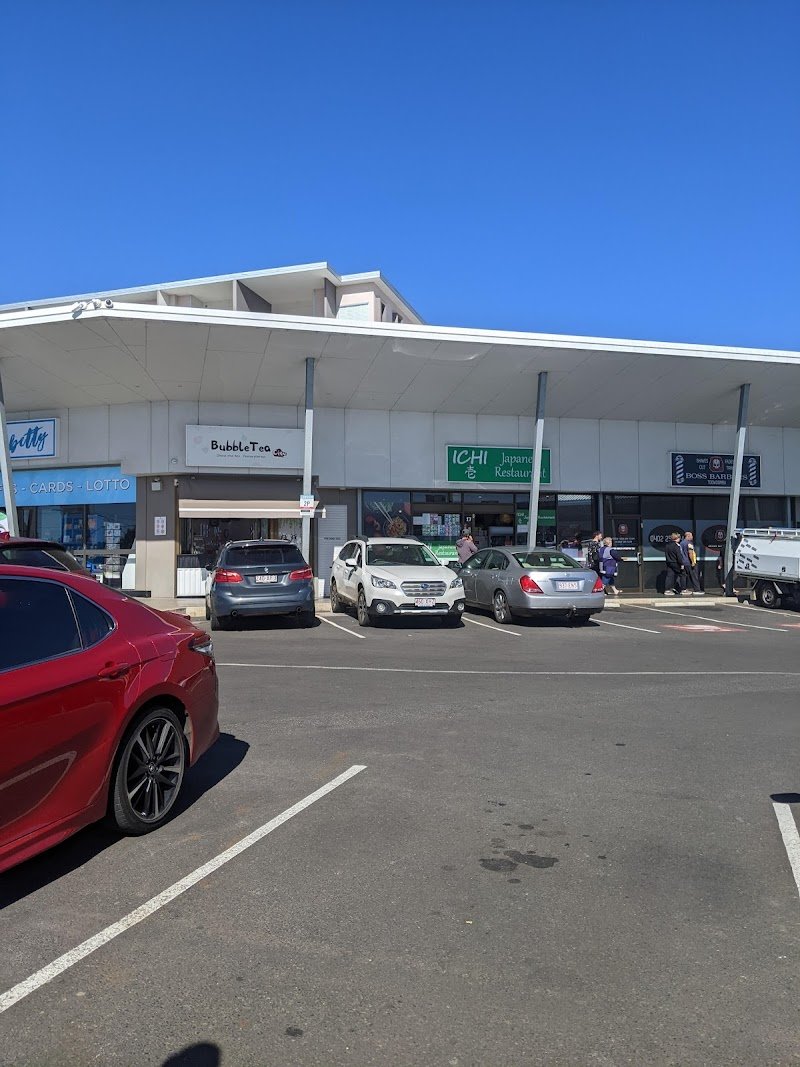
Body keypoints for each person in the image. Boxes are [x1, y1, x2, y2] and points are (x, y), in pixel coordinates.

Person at [680, 530, 703, 595]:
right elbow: (690, 553)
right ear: (688, 536)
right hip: (689, 562)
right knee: (694, 576)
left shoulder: (681, 543)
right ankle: (697, 590)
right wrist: (692, 562)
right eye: (691, 536)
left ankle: (683, 589)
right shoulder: (689, 543)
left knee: (684, 576)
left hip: (683, 562)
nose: (692, 537)